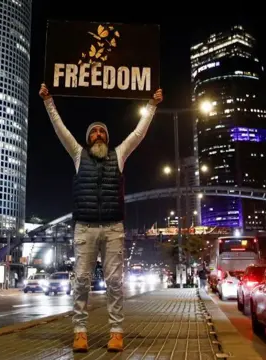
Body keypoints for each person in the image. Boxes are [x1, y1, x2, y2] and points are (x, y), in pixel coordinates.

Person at [39, 83, 163, 352]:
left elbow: (139, 132)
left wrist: (152, 105)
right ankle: (79, 332)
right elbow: (60, 129)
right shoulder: (77, 154)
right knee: (82, 280)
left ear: (107, 138)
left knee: (115, 282)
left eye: (101, 132)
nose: (97, 134)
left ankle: (117, 332)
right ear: (88, 139)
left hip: (113, 227)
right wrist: (48, 100)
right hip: (84, 228)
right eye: (93, 132)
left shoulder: (119, 155)